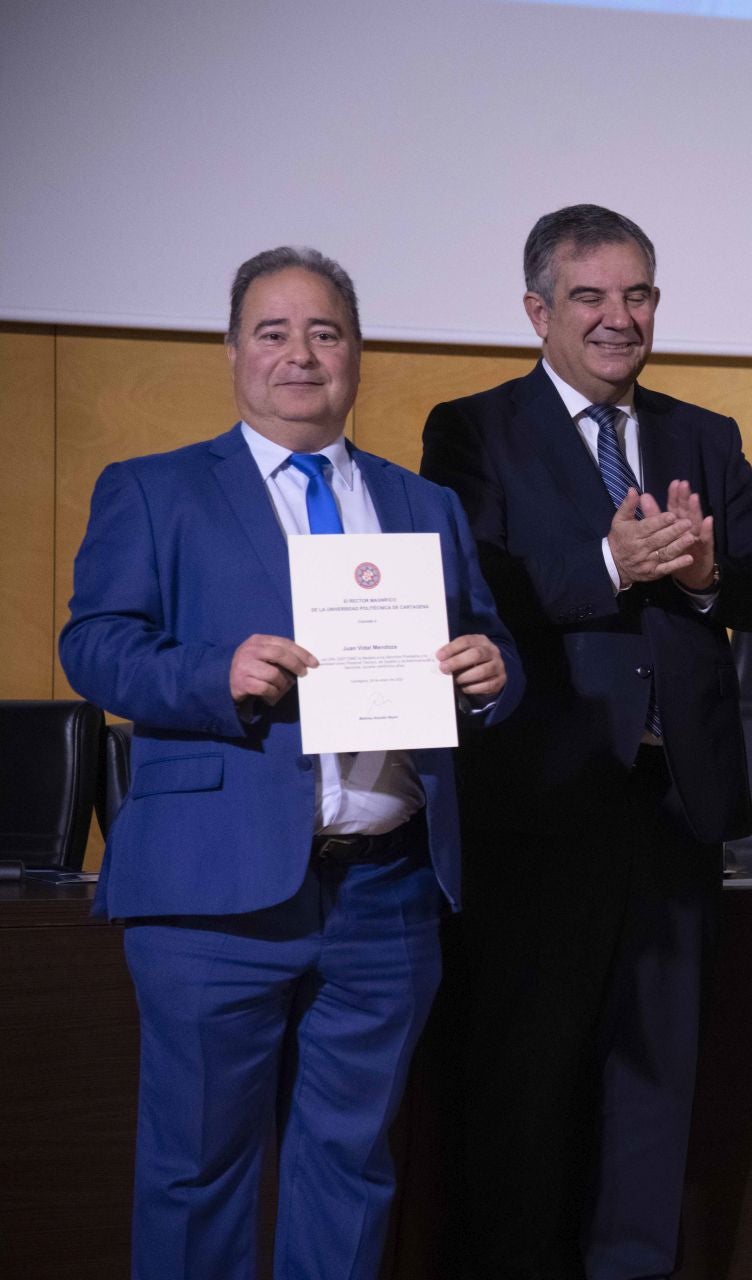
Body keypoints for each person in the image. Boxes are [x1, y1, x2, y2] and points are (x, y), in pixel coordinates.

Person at [59, 247, 521, 1280]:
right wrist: (213, 672)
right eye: (273, 333)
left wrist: (494, 672)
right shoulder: (154, 489)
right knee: (197, 1171)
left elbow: (490, 646)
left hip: (386, 892)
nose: (300, 355)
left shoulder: (423, 503)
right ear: (233, 352)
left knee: (351, 1170)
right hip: (210, 891)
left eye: (325, 332)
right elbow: (95, 645)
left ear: (357, 353)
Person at [419, 204, 752, 1280]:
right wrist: (610, 564)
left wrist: (706, 577)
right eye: (588, 296)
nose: (616, 317)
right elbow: (472, 588)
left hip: (674, 810)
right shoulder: (473, 429)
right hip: (539, 806)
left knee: (655, 1094)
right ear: (537, 310)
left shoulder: (703, 433)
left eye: (636, 295)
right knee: (527, 1089)